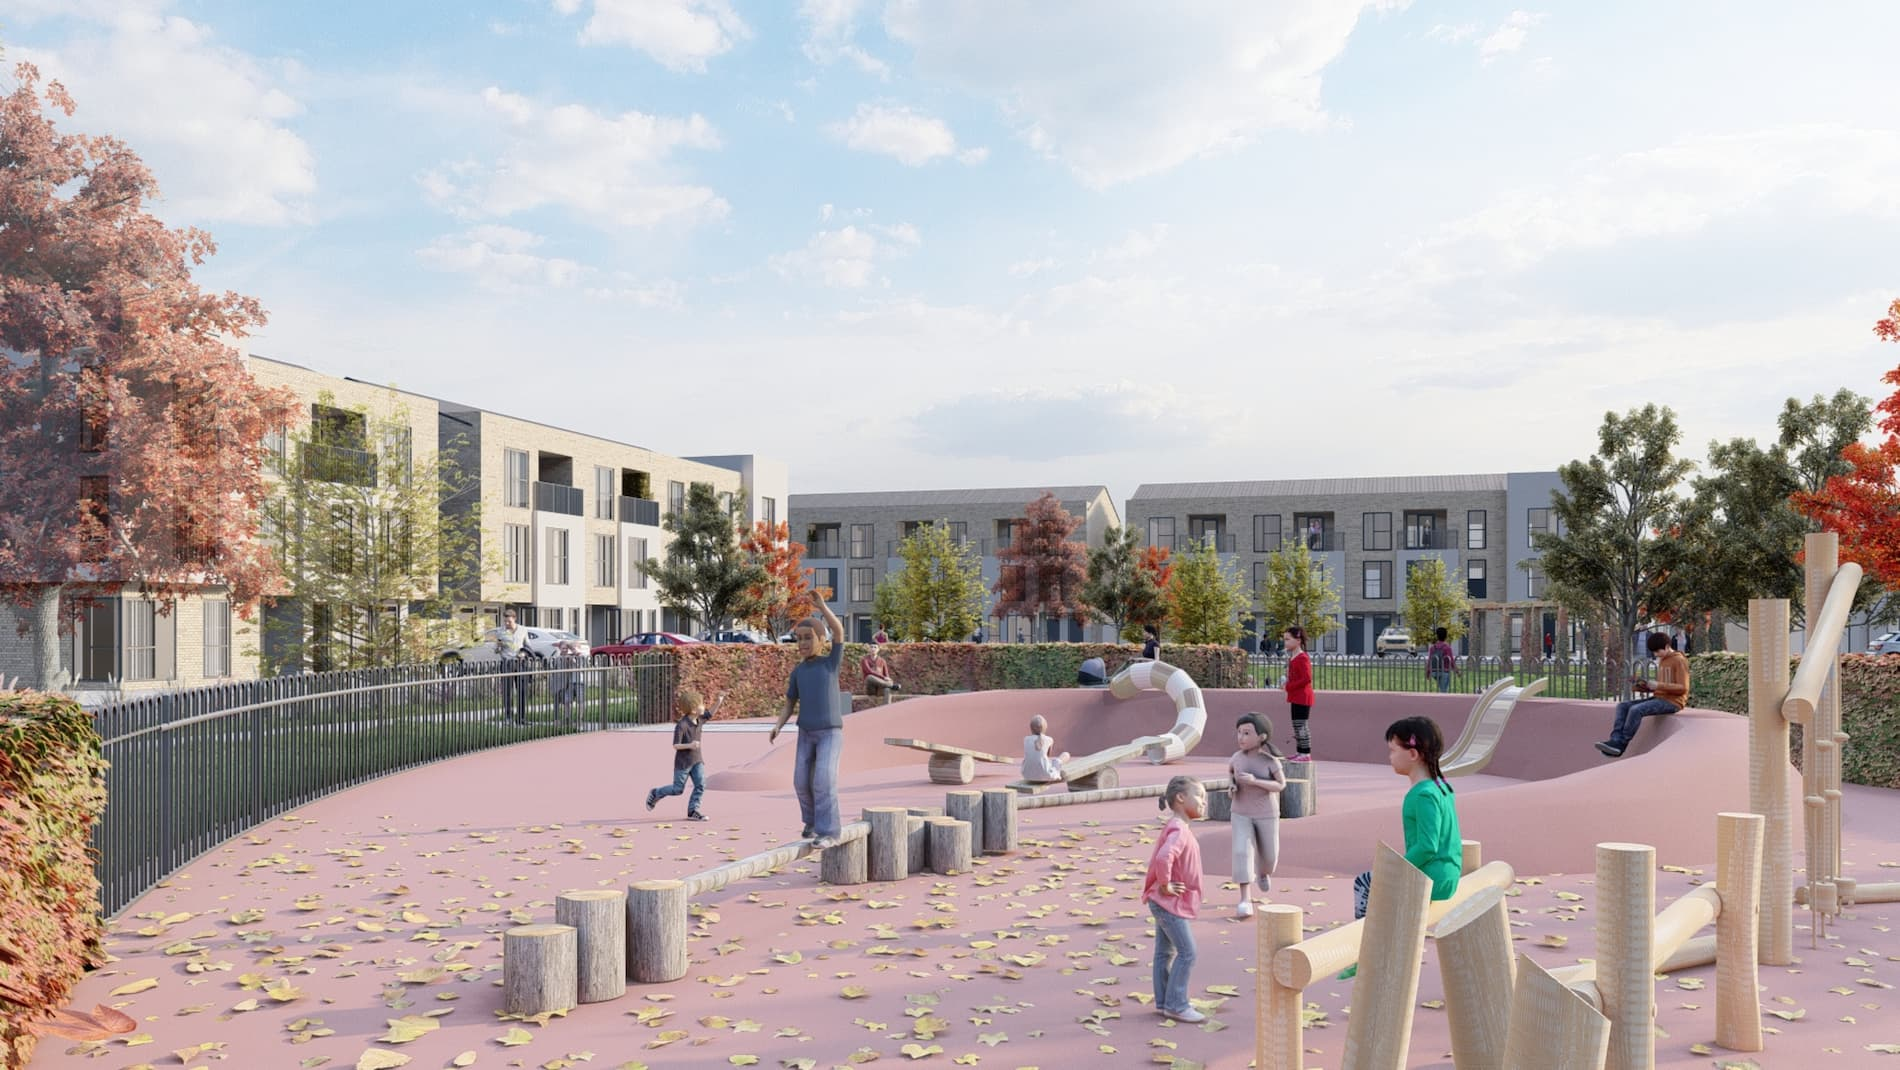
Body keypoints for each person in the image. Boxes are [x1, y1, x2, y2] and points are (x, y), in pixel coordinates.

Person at [1340, 716, 1462, 979]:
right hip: (1447, 873)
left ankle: (1366, 953)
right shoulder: (1442, 786)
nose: (1390, 757)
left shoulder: (1423, 794)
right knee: (1378, 886)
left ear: (1413, 754)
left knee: (1364, 883)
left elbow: (1427, 846)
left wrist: (1396, 867)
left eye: (1393, 750)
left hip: (1433, 878)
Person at [770, 598, 847, 847]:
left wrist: (822, 608)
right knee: (801, 781)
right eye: (799, 638)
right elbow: (790, 703)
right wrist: (778, 725)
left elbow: (839, 631)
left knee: (824, 780)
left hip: (829, 733)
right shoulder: (798, 672)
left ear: (822, 640)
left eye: (808, 638)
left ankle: (830, 831)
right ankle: (811, 822)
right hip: (805, 732)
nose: (802, 643)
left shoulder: (830, 663)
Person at [1143, 775, 1208, 1023]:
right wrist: (1166, 884)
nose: (1204, 802)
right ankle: (1177, 1005)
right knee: (1188, 952)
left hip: (1163, 902)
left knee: (1164, 952)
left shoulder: (1178, 827)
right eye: (1199, 796)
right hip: (1169, 903)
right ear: (1181, 798)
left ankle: (1164, 1001)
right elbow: (1164, 857)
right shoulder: (1179, 830)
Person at [1228, 712, 1286, 918]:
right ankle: (1245, 898)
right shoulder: (1236, 758)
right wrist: (1232, 786)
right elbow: (1231, 773)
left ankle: (1263, 873)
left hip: (1266, 813)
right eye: (1239, 732)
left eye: (1246, 733)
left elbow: (1280, 785)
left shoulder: (1270, 761)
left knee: (1270, 856)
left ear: (1261, 736)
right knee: (1241, 852)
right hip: (1240, 812)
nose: (1241, 737)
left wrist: (1255, 782)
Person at [1596, 632, 1690, 757]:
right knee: (1622, 706)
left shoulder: (1679, 660)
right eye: (1654, 652)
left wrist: (1658, 685)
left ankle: (1621, 744)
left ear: (1667, 646)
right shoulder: (1663, 660)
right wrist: (1642, 686)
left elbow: (1683, 688)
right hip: (1660, 697)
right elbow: (1662, 687)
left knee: (1636, 710)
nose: (1656, 655)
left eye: (1658, 651)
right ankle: (1615, 740)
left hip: (1673, 702)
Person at [645, 688, 725, 820]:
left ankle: (693, 811)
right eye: (701, 704)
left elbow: (710, 713)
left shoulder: (700, 719)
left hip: (697, 760)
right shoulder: (682, 725)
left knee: (701, 785)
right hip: (683, 763)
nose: (703, 706)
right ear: (693, 710)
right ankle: (656, 793)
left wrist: (719, 701)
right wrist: (690, 745)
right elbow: (676, 745)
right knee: (677, 789)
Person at [1282, 626, 1314, 761]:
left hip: (1302, 697)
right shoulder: (1293, 657)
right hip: (1296, 696)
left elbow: (1307, 678)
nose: (1285, 642)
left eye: (1288, 639)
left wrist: (1289, 686)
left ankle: (1305, 753)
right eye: (1285, 639)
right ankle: (1300, 751)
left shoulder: (1302, 658)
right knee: (1297, 724)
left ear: (1298, 640)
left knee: (1301, 725)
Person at [495, 610, 529, 725]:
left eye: (509, 621)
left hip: (520, 663)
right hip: (506, 663)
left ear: (515, 619)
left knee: (522, 691)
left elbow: (527, 646)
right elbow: (496, 650)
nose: (507, 624)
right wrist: (498, 647)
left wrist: (523, 654)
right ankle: (508, 717)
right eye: (505, 621)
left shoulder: (523, 630)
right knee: (507, 692)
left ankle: (521, 718)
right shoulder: (500, 631)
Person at [1021, 714, 1072, 783]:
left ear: (1031, 729)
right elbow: (1048, 756)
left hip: (1027, 775)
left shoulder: (1026, 739)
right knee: (1065, 755)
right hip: (1046, 775)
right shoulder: (1049, 739)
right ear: (1045, 728)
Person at [1425, 627, 1458, 693]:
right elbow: (1451, 661)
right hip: (1444, 671)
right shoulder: (1447, 647)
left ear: (1437, 636)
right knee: (1443, 691)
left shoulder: (1433, 648)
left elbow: (1429, 660)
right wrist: (1457, 671)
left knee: (1441, 687)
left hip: (1434, 671)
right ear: (1446, 636)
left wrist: (1428, 672)